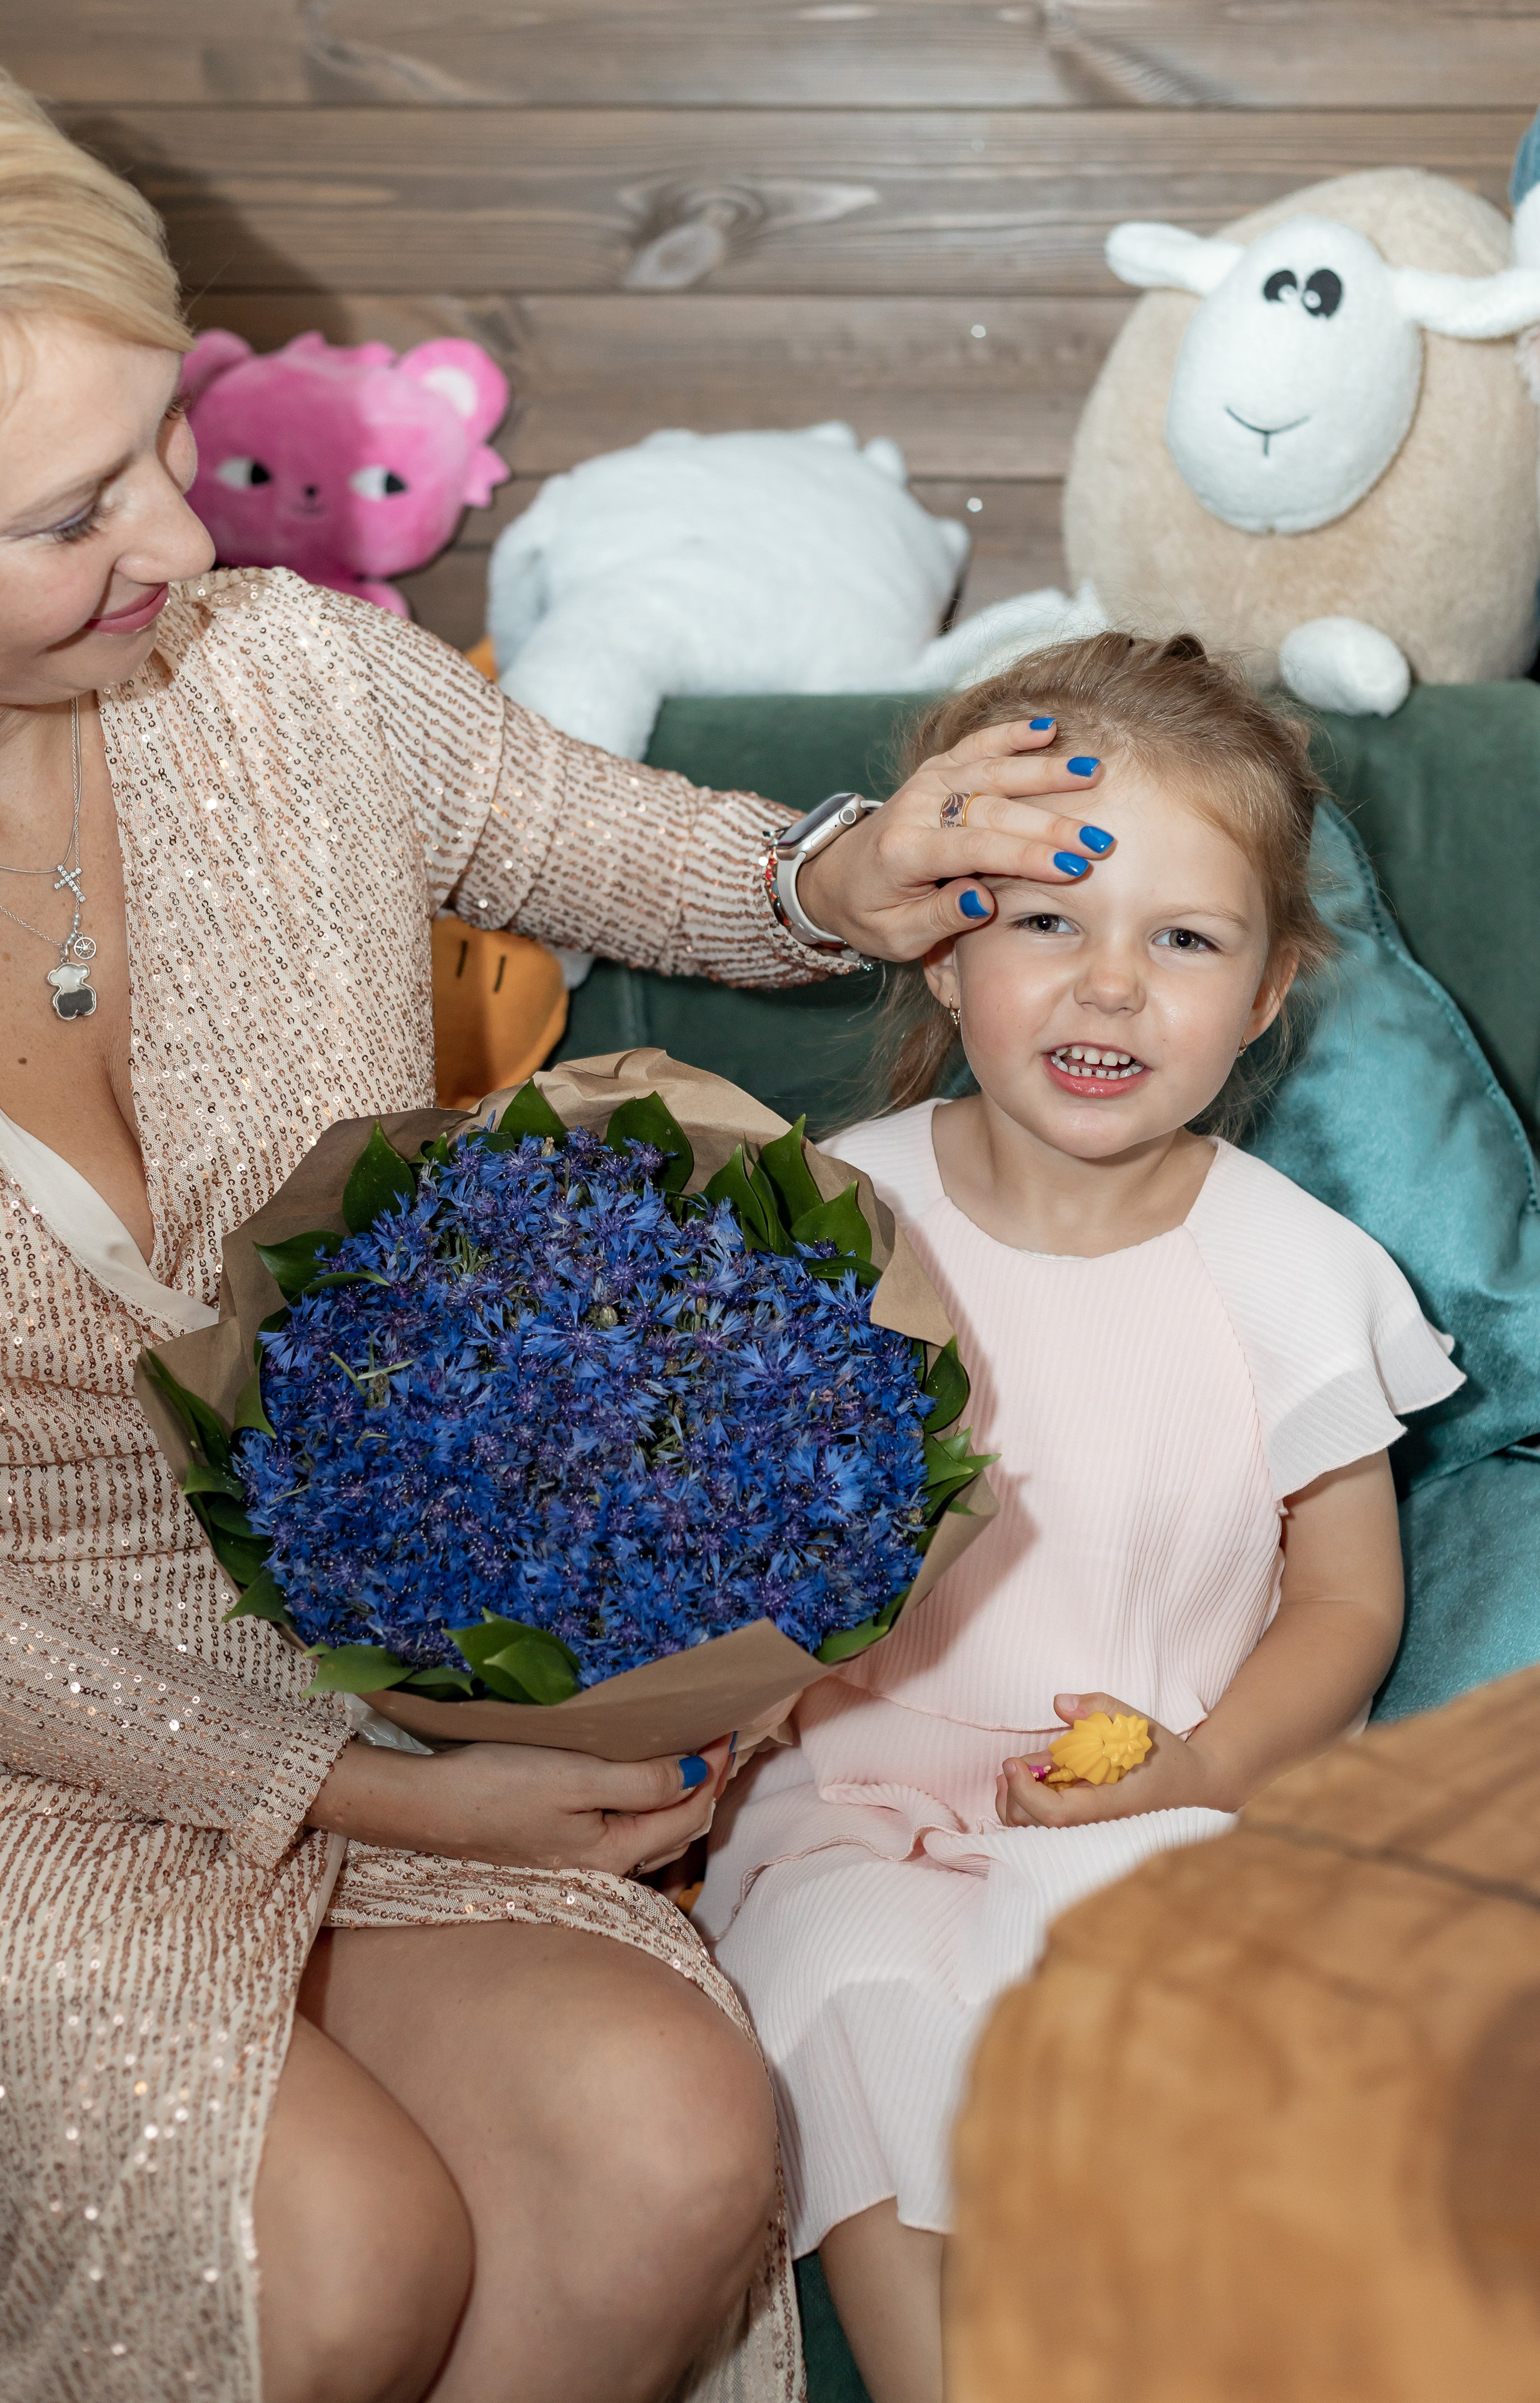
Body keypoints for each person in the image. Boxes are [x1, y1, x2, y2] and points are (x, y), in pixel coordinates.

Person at [0, 73, 1114, 2403]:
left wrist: (843, 872)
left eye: (165, 438)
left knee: (675, 2143)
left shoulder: (284, 678)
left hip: (379, 1661)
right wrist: (369, 1786)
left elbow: (603, 838)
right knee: (338, 2269)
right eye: (72, 513)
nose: (183, 534)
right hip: (46, 1751)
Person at [697, 632, 1467, 2403]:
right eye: (1049, 919)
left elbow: (1345, 1601)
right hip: (849, 1813)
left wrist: (1205, 1766)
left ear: (1267, 991)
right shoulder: (826, 1219)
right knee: (855, 1996)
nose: (1109, 987)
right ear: (943, 942)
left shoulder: (1291, 1269)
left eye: (1183, 941)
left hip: (1168, 1799)